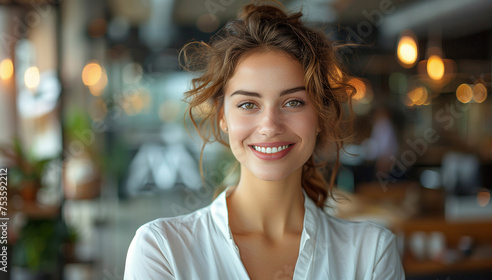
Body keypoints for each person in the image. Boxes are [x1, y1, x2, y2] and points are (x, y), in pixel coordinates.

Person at [124, 1, 405, 279]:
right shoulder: (163, 250)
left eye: (293, 102)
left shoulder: (370, 254)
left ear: (320, 115)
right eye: (248, 104)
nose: (270, 126)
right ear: (223, 116)